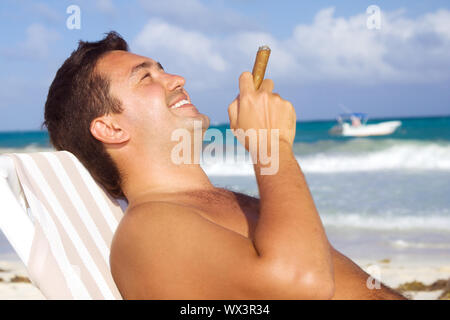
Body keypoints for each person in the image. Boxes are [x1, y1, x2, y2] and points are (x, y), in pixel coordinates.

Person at [44, 32, 405, 299]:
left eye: (163, 69)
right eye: (145, 77)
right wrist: (270, 144)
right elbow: (304, 286)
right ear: (110, 128)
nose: (177, 79)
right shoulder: (148, 228)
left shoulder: (210, 205)